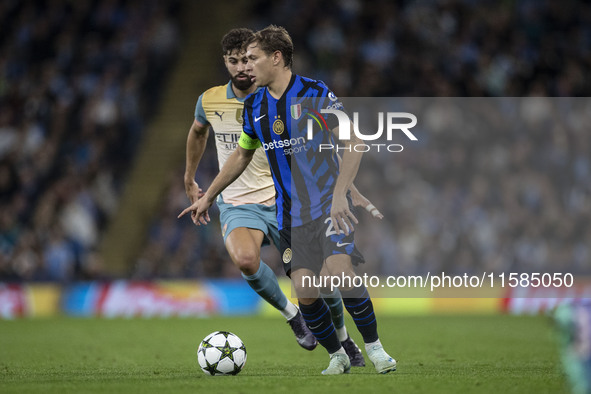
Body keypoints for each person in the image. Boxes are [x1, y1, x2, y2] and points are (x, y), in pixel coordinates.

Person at [180, 25, 396, 375]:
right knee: (306, 291)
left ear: (276, 58)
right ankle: (337, 355)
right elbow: (241, 156)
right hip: (291, 216)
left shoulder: (315, 92)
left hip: (329, 206)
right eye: (241, 60)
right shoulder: (255, 106)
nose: (247, 66)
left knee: (340, 272)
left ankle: (376, 350)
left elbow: (354, 142)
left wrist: (342, 193)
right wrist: (210, 195)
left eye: (253, 58)